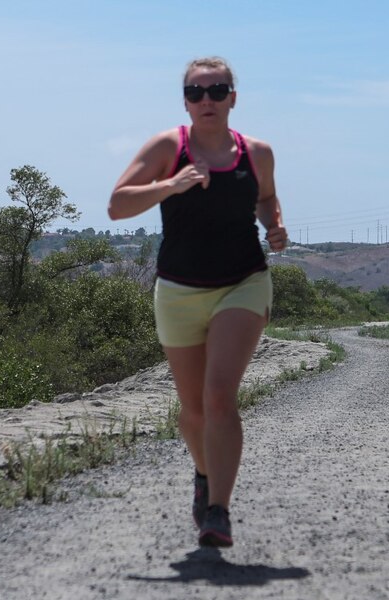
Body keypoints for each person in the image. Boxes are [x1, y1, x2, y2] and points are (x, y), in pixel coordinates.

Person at [109, 57, 288, 548]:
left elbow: (267, 197)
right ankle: (204, 475)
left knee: (218, 396)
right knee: (191, 411)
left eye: (217, 90)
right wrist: (172, 183)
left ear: (234, 97)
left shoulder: (258, 152)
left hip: (243, 283)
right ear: (185, 100)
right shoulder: (170, 147)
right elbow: (117, 203)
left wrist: (274, 224)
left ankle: (218, 511)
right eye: (196, 92)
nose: (206, 99)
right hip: (180, 290)